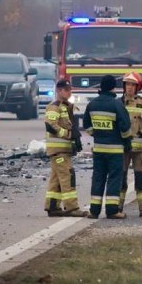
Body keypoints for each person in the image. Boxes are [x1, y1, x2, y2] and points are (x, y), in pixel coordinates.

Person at [83, 75, 132, 219]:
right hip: (115, 150)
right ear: (113, 87)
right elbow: (125, 127)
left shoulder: (92, 104)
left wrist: (97, 135)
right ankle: (112, 210)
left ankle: (94, 210)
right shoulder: (116, 104)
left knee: (98, 178)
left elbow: (87, 124)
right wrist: (126, 141)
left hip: (98, 149)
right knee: (114, 179)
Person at [43, 79, 86, 217]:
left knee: (56, 179)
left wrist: (76, 139)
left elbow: (71, 126)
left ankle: (52, 206)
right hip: (58, 149)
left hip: (63, 150)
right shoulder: (54, 106)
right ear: (59, 90)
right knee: (67, 177)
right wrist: (68, 135)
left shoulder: (67, 106)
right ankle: (72, 208)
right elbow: (51, 125)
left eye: (70, 89)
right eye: (66, 90)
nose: (69, 92)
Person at [120, 72, 142, 217]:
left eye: (132, 85)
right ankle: (117, 205)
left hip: (140, 149)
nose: (129, 87)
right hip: (122, 148)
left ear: (137, 87)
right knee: (120, 178)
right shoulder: (118, 103)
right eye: (127, 84)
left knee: (141, 178)